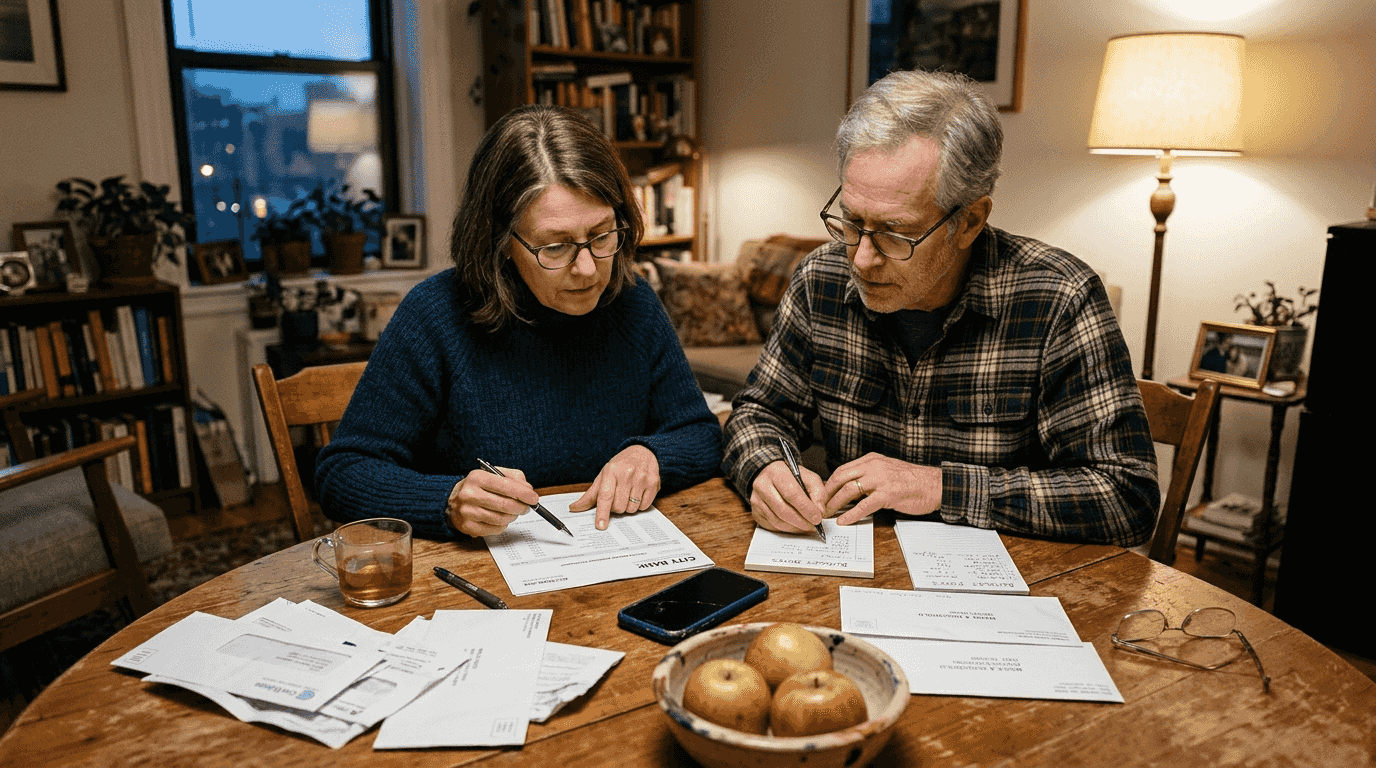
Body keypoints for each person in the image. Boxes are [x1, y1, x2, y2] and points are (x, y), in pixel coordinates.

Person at [722, 70, 1159, 547]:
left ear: (969, 221)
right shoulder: (820, 279)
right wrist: (764, 466)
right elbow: (758, 413)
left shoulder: (1058, 298)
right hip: (851, 564)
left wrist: (942, 488)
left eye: (896, 233)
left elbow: (1127, 497)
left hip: (1010, 581)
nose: (862, 258)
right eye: (851, 221)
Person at [317, 105, 722, 539]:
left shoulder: (632, 300)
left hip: (615, 554)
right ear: (500, 241)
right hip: (477, 570)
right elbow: (342, 473)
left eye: (602, 235)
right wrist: (448, 500)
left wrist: (652, 455)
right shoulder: (436, 315)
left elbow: (700, 432)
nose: (587, 269)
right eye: (555, 247)